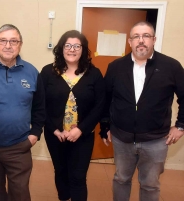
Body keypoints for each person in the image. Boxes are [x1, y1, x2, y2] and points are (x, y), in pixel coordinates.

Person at [100, 21, 184, 201]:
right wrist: (105, 126)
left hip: (156, 141)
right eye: (136, 36)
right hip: (122, 139)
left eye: (146, 36)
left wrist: (181, 125)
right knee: (121, 179)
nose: (141, 41)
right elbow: (105, 99)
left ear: (153, 40)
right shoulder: (116, 67)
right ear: (129, 42)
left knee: (150, 184)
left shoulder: (171, 66)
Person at [0, 24, 45, 201]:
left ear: (20, 44)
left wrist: (35, 134)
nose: (8, 45)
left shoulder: (32, 72)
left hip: (19, 146)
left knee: (20, 194)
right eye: (3, 41)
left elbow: (40, 107)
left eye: (13, 41)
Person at [40, 30, 106, 201]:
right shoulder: (48, 72)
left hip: (82, 136)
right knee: (60, 172)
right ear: (61, 48)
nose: (72, 49)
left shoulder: (94, 74)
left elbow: (100, 106)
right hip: (55, 135)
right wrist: (54, 129)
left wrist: (81, 130)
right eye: (68, 45)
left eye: (77, 46)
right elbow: (40, 104)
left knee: (78, 176)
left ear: (83, 49)